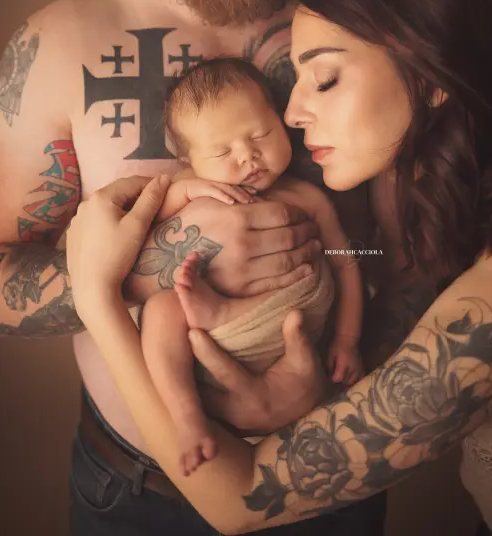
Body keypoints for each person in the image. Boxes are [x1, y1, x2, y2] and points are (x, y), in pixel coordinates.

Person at [0, 0, 392, 534]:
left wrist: (336, 286)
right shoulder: (61, 45)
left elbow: (415, 253)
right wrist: (149, 271)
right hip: (139, 497)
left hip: (333, 478)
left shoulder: (374, 29)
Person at [67, 0, 492, 535]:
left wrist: (97, 297)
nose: (293, 115)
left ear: (434, 79)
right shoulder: (461, 226)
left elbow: (240, 499)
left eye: (323, 79)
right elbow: (362, 255)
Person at [141, 56, 363, 475]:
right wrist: (184, 191)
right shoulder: (189, 190)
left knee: (315, 280)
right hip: (215, 346)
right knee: (160, 310)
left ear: (281, 121)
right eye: (222, 151)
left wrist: (347, 339)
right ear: (189, 161)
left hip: (289, 330)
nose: (248, 156)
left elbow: (348, 265)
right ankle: (186, 416)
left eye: (261, 134)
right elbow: (142, 226)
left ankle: (219, 310)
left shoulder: (307, 198)